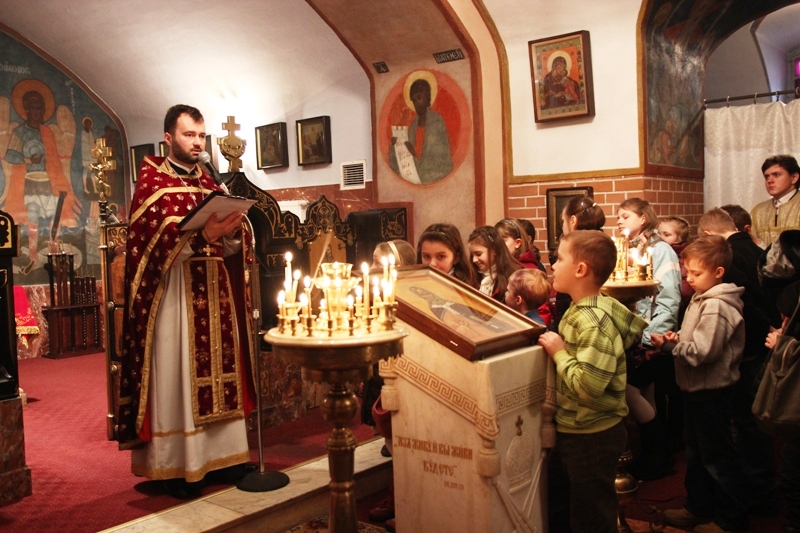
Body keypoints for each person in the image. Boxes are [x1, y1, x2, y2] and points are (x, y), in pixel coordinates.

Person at [116, 104, 254, 499]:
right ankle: (178, 467)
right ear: (168, 138)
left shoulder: (211, 183)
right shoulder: (152, 183)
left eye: (201, 136)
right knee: (176, 376)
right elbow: (148, 247)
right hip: (173, 297)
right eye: (189, 135)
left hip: (214, 292)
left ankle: (226, 458)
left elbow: (231, 246)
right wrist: (200, 237)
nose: (197, 143)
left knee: (223, 375)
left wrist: (232, 232)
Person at [538, 230, 646, 533]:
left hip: (592, 433)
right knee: (569, 506)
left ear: (581, 269)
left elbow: (588, 387)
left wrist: (559, 353)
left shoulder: (592, 321)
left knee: (591, 516)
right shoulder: (580, 310)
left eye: (560, 259)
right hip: (578, 428)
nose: (553, 265)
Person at [651, 235, 750, 533]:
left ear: (718, 272)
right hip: (695, 389)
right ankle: (698, 507)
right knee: (696, 455)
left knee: (718, 457)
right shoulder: (700, 297)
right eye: (687, 273)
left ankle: (730, 520)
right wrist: (677, 337)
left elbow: (704, 351)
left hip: (713, 392)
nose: (689, 279)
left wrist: (669, 347)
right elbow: (694, 337)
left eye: (696, 273)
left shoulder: (717, 305)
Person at [698, 208, 777, 516]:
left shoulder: (728, 257)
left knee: (746, 425)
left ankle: (756, 496)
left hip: (747, 350)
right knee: (753, 423)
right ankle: (761, 491)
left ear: (708, 235)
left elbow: (746, 306)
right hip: (763, 344)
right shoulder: (756, 248)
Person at [617, 197, 681, 480]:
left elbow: (668, 298)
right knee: (647, 393)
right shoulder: (628, 248)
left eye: (625, 216)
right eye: (618, 216)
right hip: (633, 334)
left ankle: (659, 453)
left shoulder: (661, 250)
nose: (619, 221)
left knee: (631, 391)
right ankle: (654, 456)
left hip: (649, 335)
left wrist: (650, 338)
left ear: (643, 218)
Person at [4, 85, 81, 264]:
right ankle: (32, 253)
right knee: (33, 217)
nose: (36, 112)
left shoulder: (47, 133)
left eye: (39, 108)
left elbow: (54, 162)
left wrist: (61, 184)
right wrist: (29, 160)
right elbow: (9, 155)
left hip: (48, 181)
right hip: (30, 182)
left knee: (55, 216)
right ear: (26, 110)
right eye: (33, 108)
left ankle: (53, 250)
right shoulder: (19, 132)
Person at [552, 196, 606, 330]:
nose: (553, 266)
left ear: (573, 220)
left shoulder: (591, 322)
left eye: (563, 221)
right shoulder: (602, 244)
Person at [388, 77, 453, 184]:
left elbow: (439, 160)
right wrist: (394, 147)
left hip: (435, 177)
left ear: (428, 98)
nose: (416, 103)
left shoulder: (436, 121)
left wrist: (414, 154)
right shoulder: (414, 124)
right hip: (416, 175)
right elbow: (405, 158)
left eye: (419, 97)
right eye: (414, 100)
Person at [750, 155, 800, 246]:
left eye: (776, 175)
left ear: (794, 177)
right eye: (767, 177)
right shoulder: (758, 211)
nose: (769, 181)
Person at [468, 225, 523, 302]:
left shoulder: (516, 276)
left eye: (478, 254)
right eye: (472, 255)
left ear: (495, 250)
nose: (474, 260)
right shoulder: (472, 277)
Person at [416, 223, 478, 288]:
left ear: (456, 258)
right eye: (426, 256)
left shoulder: (466, 289)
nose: (432, 264)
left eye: (441, 256)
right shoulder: (414, 282)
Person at [658, 215, 694, 321]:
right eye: (659, 233)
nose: (661, 238)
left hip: (680, 307)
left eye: (666, 234)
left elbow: (685, 289)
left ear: (680, 238)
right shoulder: (659, 252)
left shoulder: (685, 256)